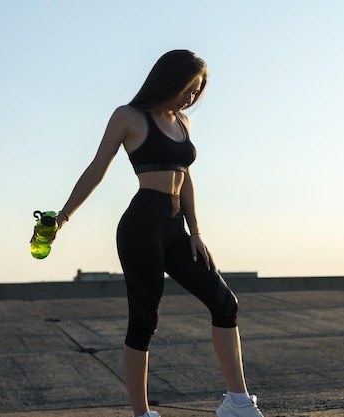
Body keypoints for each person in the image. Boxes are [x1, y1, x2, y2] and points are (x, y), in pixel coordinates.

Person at [52, 50, 264, 417]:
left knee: (225, 304)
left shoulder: (183, 123)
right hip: (140, 228)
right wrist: (62, 217)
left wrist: (195, 231)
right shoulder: (128, 117)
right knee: (144, 322)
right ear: (169, 79)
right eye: (188, 88)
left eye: (197, 91)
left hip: (176, 229)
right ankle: (142, 413)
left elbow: (186, 178)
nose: (191, 98)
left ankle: (237, 402)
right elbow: (96, 169)